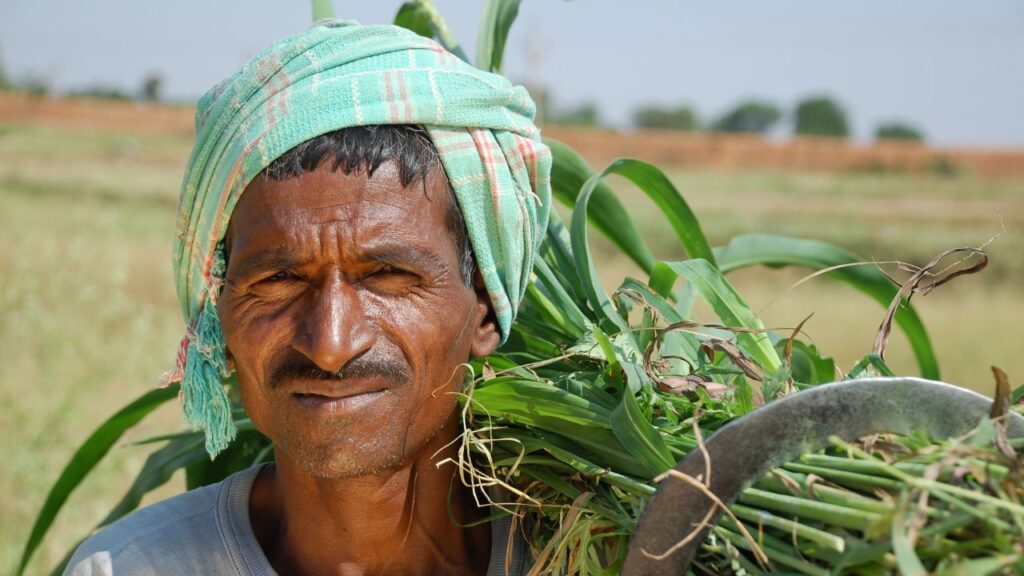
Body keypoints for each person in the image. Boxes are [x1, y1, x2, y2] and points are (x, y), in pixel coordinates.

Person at [65, 19, 550, 576]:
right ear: (218, 318)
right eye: (278, 280)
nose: (331, 345)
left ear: (485, 306)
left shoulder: (585, 558)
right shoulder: (131, 568)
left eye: (387, 274)